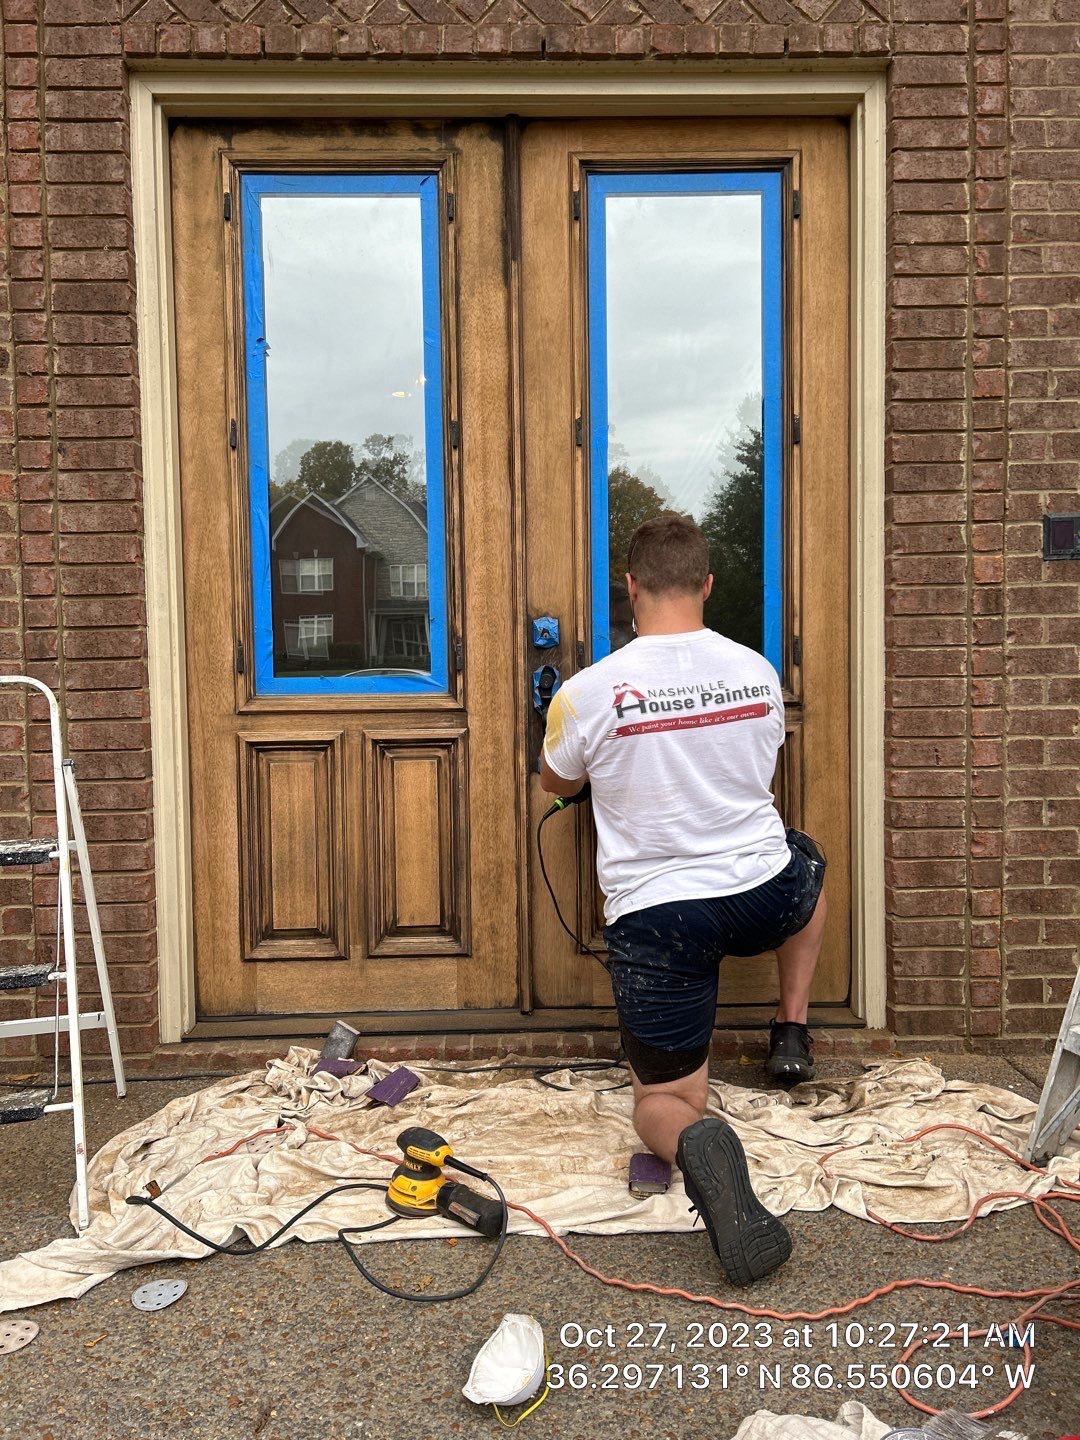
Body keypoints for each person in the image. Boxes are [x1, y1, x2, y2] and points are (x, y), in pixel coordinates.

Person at [539, 512, 827, 1286]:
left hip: (662, 918)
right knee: (809, 863)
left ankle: (693, 1140)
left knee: (665, 1096)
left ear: (630, 589)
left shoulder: (587, 693)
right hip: (764, 894)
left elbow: (556, 783)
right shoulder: (757, 672)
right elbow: (761, 769)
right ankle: (790, 1028)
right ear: (705, 584)